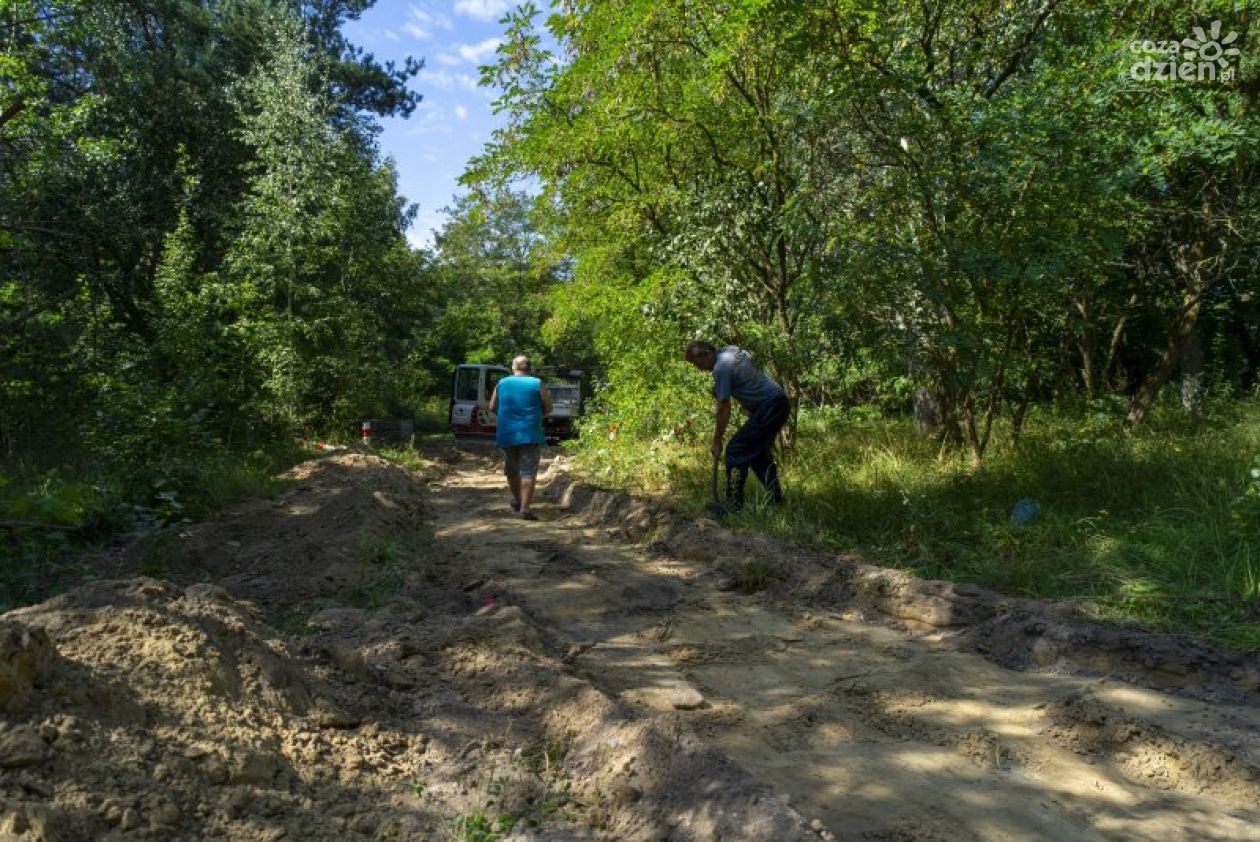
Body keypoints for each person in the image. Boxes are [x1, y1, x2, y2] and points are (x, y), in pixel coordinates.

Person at [684, 341, 789, 512]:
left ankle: (734, 504)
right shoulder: (731, 351)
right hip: (778, 403)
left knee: (736, 450)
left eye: (698, 363)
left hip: (769, 406)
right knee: (757, 454)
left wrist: (717, 441)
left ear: (708, 354)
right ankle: (776, 500)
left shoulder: (720, 368)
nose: (699, 368)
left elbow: (724, 407)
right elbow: (747, 372)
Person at [488, 355, 552, 520]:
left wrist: (507, 416)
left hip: (507, 433)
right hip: (530, 433)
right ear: (529, 368)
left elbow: (492, 407)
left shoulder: (501, 383)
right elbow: (548, 408)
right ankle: (524, 509)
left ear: (513, 367)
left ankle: (517, 500)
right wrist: (535, 417)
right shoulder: (537, 383)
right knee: (528, 471)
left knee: (512, 470)